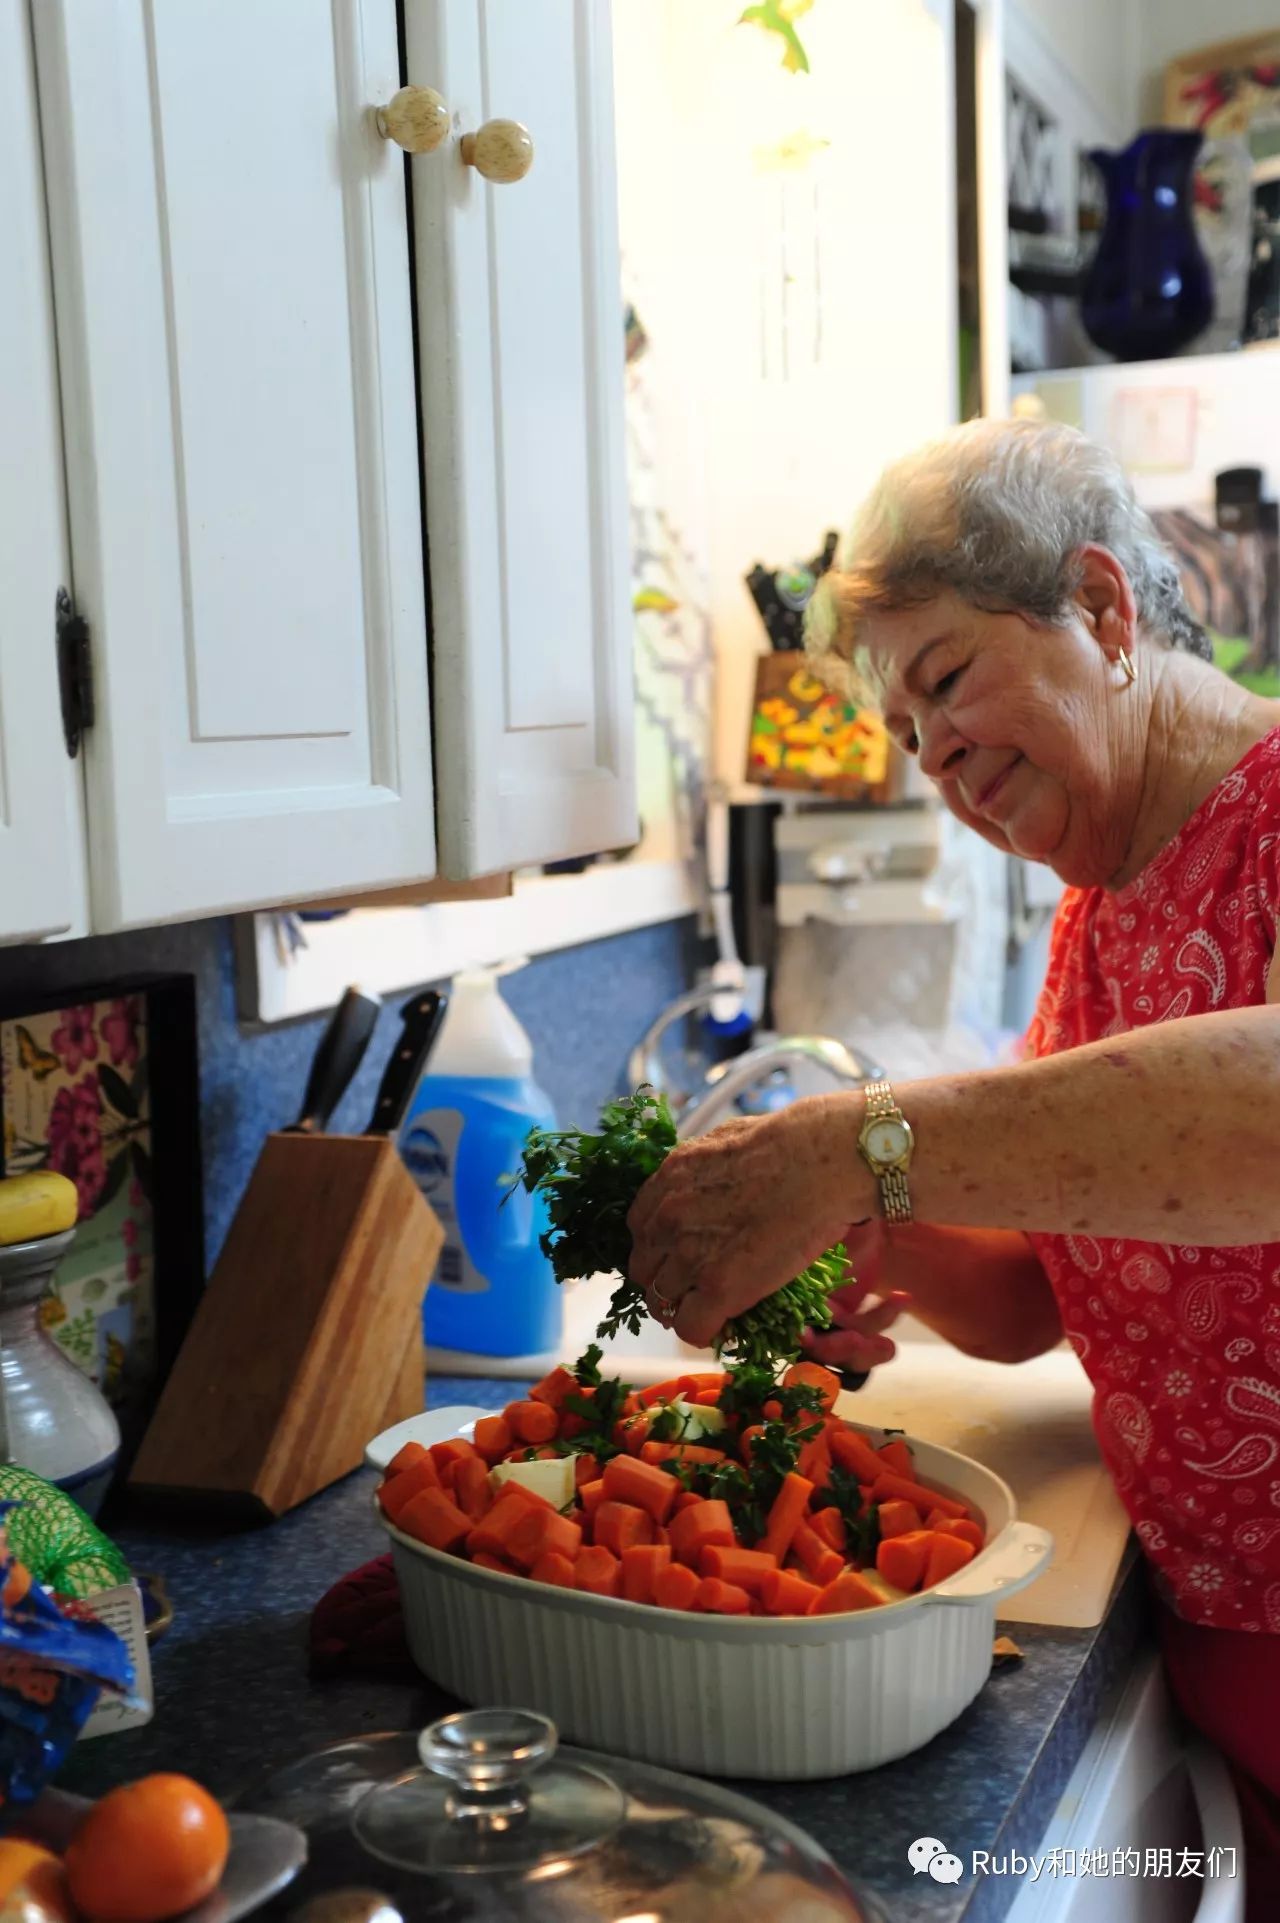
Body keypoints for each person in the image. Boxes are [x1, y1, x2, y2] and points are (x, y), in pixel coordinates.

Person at [626, 418, 1280, 1913]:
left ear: (1104, 611)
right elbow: (1047, 1292)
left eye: (946, 682)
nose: (940, 762)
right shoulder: (1096, 911)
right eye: (908, 735)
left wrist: (860, 1149)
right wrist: (880, 1235)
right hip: (1229, 1635)